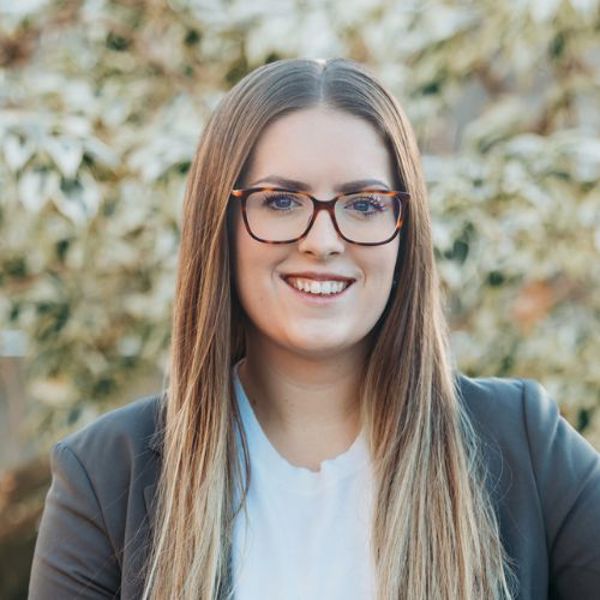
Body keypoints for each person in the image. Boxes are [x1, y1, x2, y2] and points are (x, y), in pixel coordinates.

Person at [28, 57, 600, 600]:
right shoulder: (107, 474)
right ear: (221, 225)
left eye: (365, 204)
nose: (322, 240)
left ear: (406, 229)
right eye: (280, 200)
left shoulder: (525, 443)